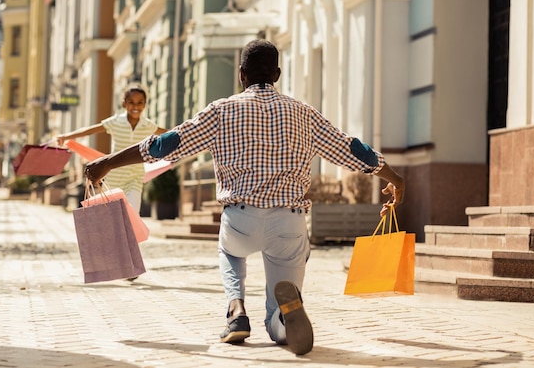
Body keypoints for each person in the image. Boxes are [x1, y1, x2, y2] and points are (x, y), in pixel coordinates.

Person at [83, 39, 405, 356]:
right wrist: (394, 177)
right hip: (288, 221)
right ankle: (282, 317)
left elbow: (165, 144)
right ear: (277, 74)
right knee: (284, 297)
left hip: (240, 218)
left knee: (229, 251)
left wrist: (107, 162)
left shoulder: (221, 111)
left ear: (241, 74)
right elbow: (350, 149)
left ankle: (236, 308)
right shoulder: (304, 114)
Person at [55, 84, 167, 214]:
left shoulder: (148, 125)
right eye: (131, 102)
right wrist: (65, 137)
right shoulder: (116, 122)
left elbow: (169, 134)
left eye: (140, 102)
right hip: (113, 177)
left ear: (145, 104)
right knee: (112, 216)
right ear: (124, 104)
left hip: (135, 178)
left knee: (132, 214)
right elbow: (90, 130)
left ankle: (130, 235)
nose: (136, 106)